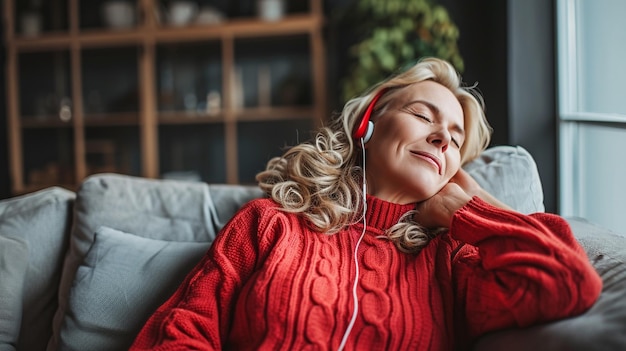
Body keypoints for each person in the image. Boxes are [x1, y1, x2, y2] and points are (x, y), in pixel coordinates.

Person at [130, 57, 602, 350]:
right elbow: (181, 332)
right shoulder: (270, 224)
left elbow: (568, 281)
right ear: (367, 125)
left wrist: (469, 208)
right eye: (423, 115)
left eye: (455, 140)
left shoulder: (454, 261)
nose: (441, 137)